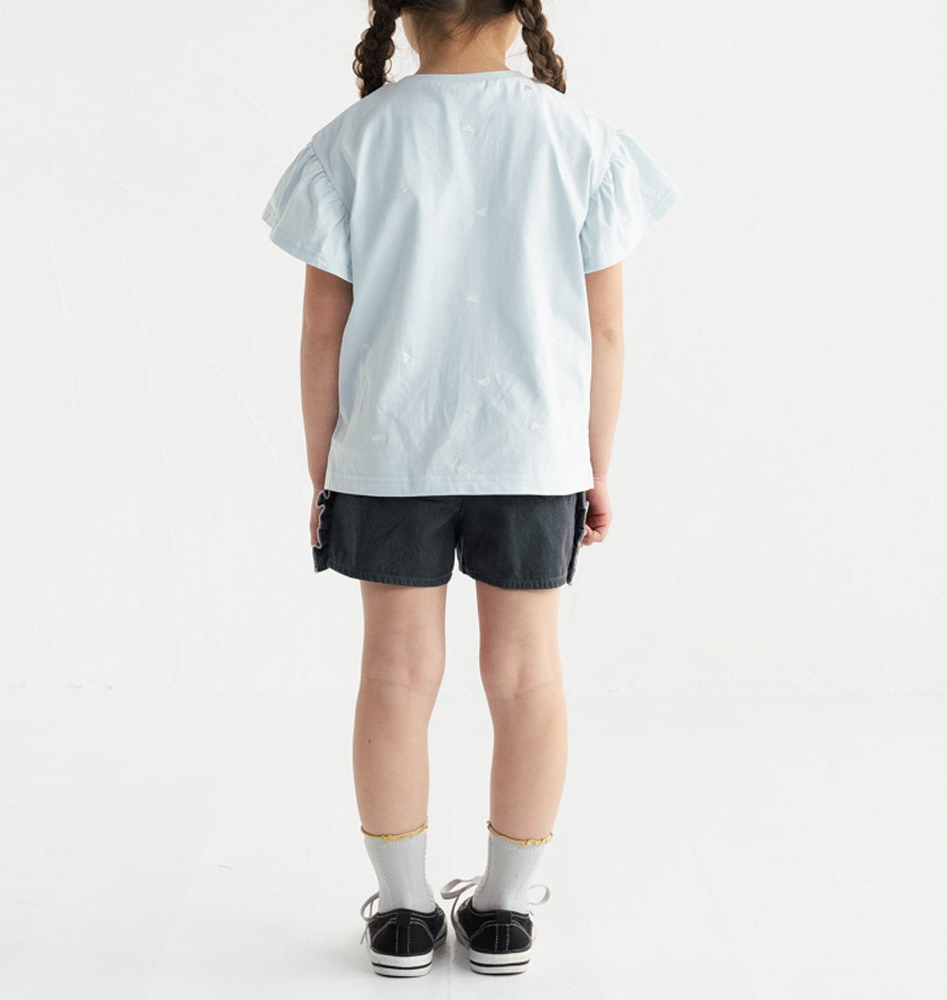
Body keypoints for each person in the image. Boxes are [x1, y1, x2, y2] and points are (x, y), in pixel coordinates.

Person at [260, 0, 680, 979]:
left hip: (389, 456)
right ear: (520, 9)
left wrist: (326, 469)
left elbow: (321, 332)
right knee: (527, 677)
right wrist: (595, 464)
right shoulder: (582, 141)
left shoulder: (350, 143)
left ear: (401, 13)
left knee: (395, 676)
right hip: (533, 457)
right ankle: (503, 912)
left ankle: (404, 915)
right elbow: (606, 332)